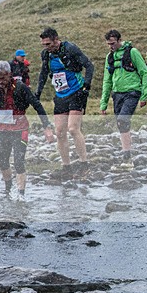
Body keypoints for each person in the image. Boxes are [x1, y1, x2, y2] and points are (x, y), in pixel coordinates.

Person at [0, 61, 55, 199]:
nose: (0, 81)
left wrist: (47, 127)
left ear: (9, 74)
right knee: (3, 162)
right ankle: (8, 190)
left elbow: (37, 105)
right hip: (3, 131)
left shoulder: (21, 87)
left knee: (19, 162)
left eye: (2, 78)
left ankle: (21, 195)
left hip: (20, 130)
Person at [35, 27, 94, 180]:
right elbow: (43, 73)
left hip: (76, 92)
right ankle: (66, 167)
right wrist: (38, 93)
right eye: (44, 45)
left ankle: (84, 164)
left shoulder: (70, 48)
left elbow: (89, 65)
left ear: (56, 40)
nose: (46, 47)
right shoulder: (46, 55)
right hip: (61, 95)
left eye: (48, 44)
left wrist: (87, 86)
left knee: (73, 129)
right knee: (60, 132)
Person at [99, 30, 147, 165]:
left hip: (132, 92)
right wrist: (103, 103)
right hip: (117, 94)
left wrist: (144, 95)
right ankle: (127, 153)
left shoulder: (133, 52)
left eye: (113, 43)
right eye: (108, 44)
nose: (111, 46)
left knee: (123, 119)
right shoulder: (109, 57)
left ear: (119, 40)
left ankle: (127, 155)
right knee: (121, 123)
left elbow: (144, 72)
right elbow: (107, 81)